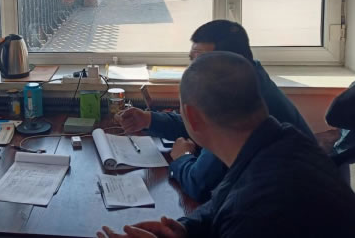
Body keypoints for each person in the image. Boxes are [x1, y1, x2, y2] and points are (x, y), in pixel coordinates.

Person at [99, 52, 355, 238]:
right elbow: (221, 199)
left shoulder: (255, 210)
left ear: (192, 117)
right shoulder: (281, 141)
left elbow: (237, 206)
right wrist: (185, 229)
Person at [116, 20, 314, 202]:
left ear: (230, 62)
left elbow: (199, 183)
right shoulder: (246, 79)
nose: (193, 69)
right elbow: (199, 123)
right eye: (192, 60)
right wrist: (149, 120)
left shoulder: (241, 101)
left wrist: (182, 157)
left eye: (201, 61)